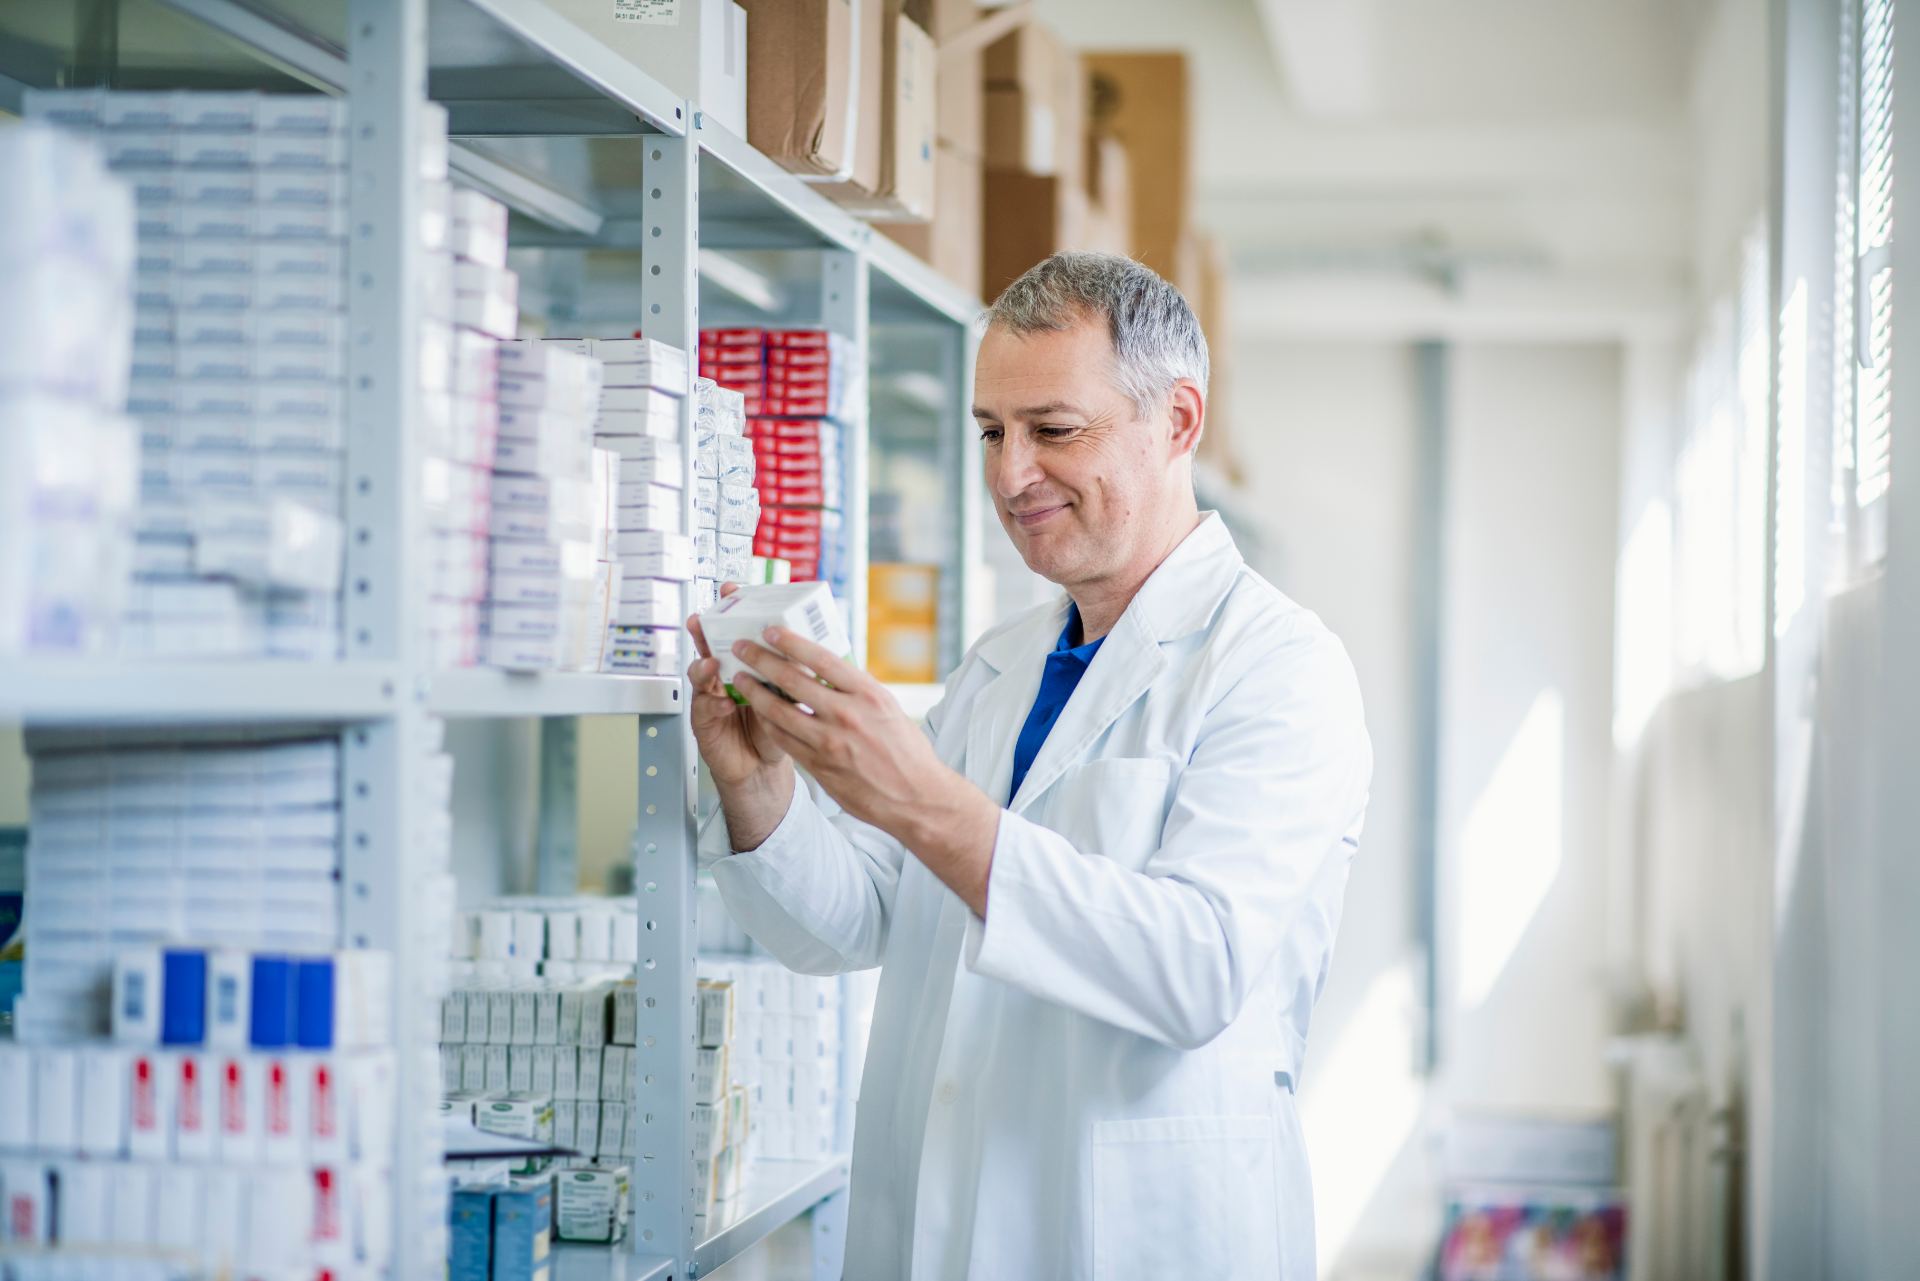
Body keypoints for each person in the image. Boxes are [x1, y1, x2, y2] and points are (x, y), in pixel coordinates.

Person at [686, 251, 1373, 1280]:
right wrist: (757, 787)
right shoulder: (1002, 665)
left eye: (1054, 431)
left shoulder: (1280, 668)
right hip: (943, 1223)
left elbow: (1197, 968)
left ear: (1178, 422)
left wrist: (925, 804)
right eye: (992, 433)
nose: (1011, 475)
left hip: (1140, 1239)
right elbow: (862, 922)